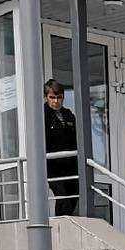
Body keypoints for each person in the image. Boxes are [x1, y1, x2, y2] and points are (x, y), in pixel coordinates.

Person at [43, 79, 79, 217]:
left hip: (70, 165)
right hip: (53, 167)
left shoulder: (68, 114)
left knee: (73, 196)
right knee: (62, 198)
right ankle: (61, 225)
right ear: (46, 97)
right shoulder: (42, 115)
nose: (56, 101)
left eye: (59, 97)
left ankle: (65, 222)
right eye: (52, 97)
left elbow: (76, 137)